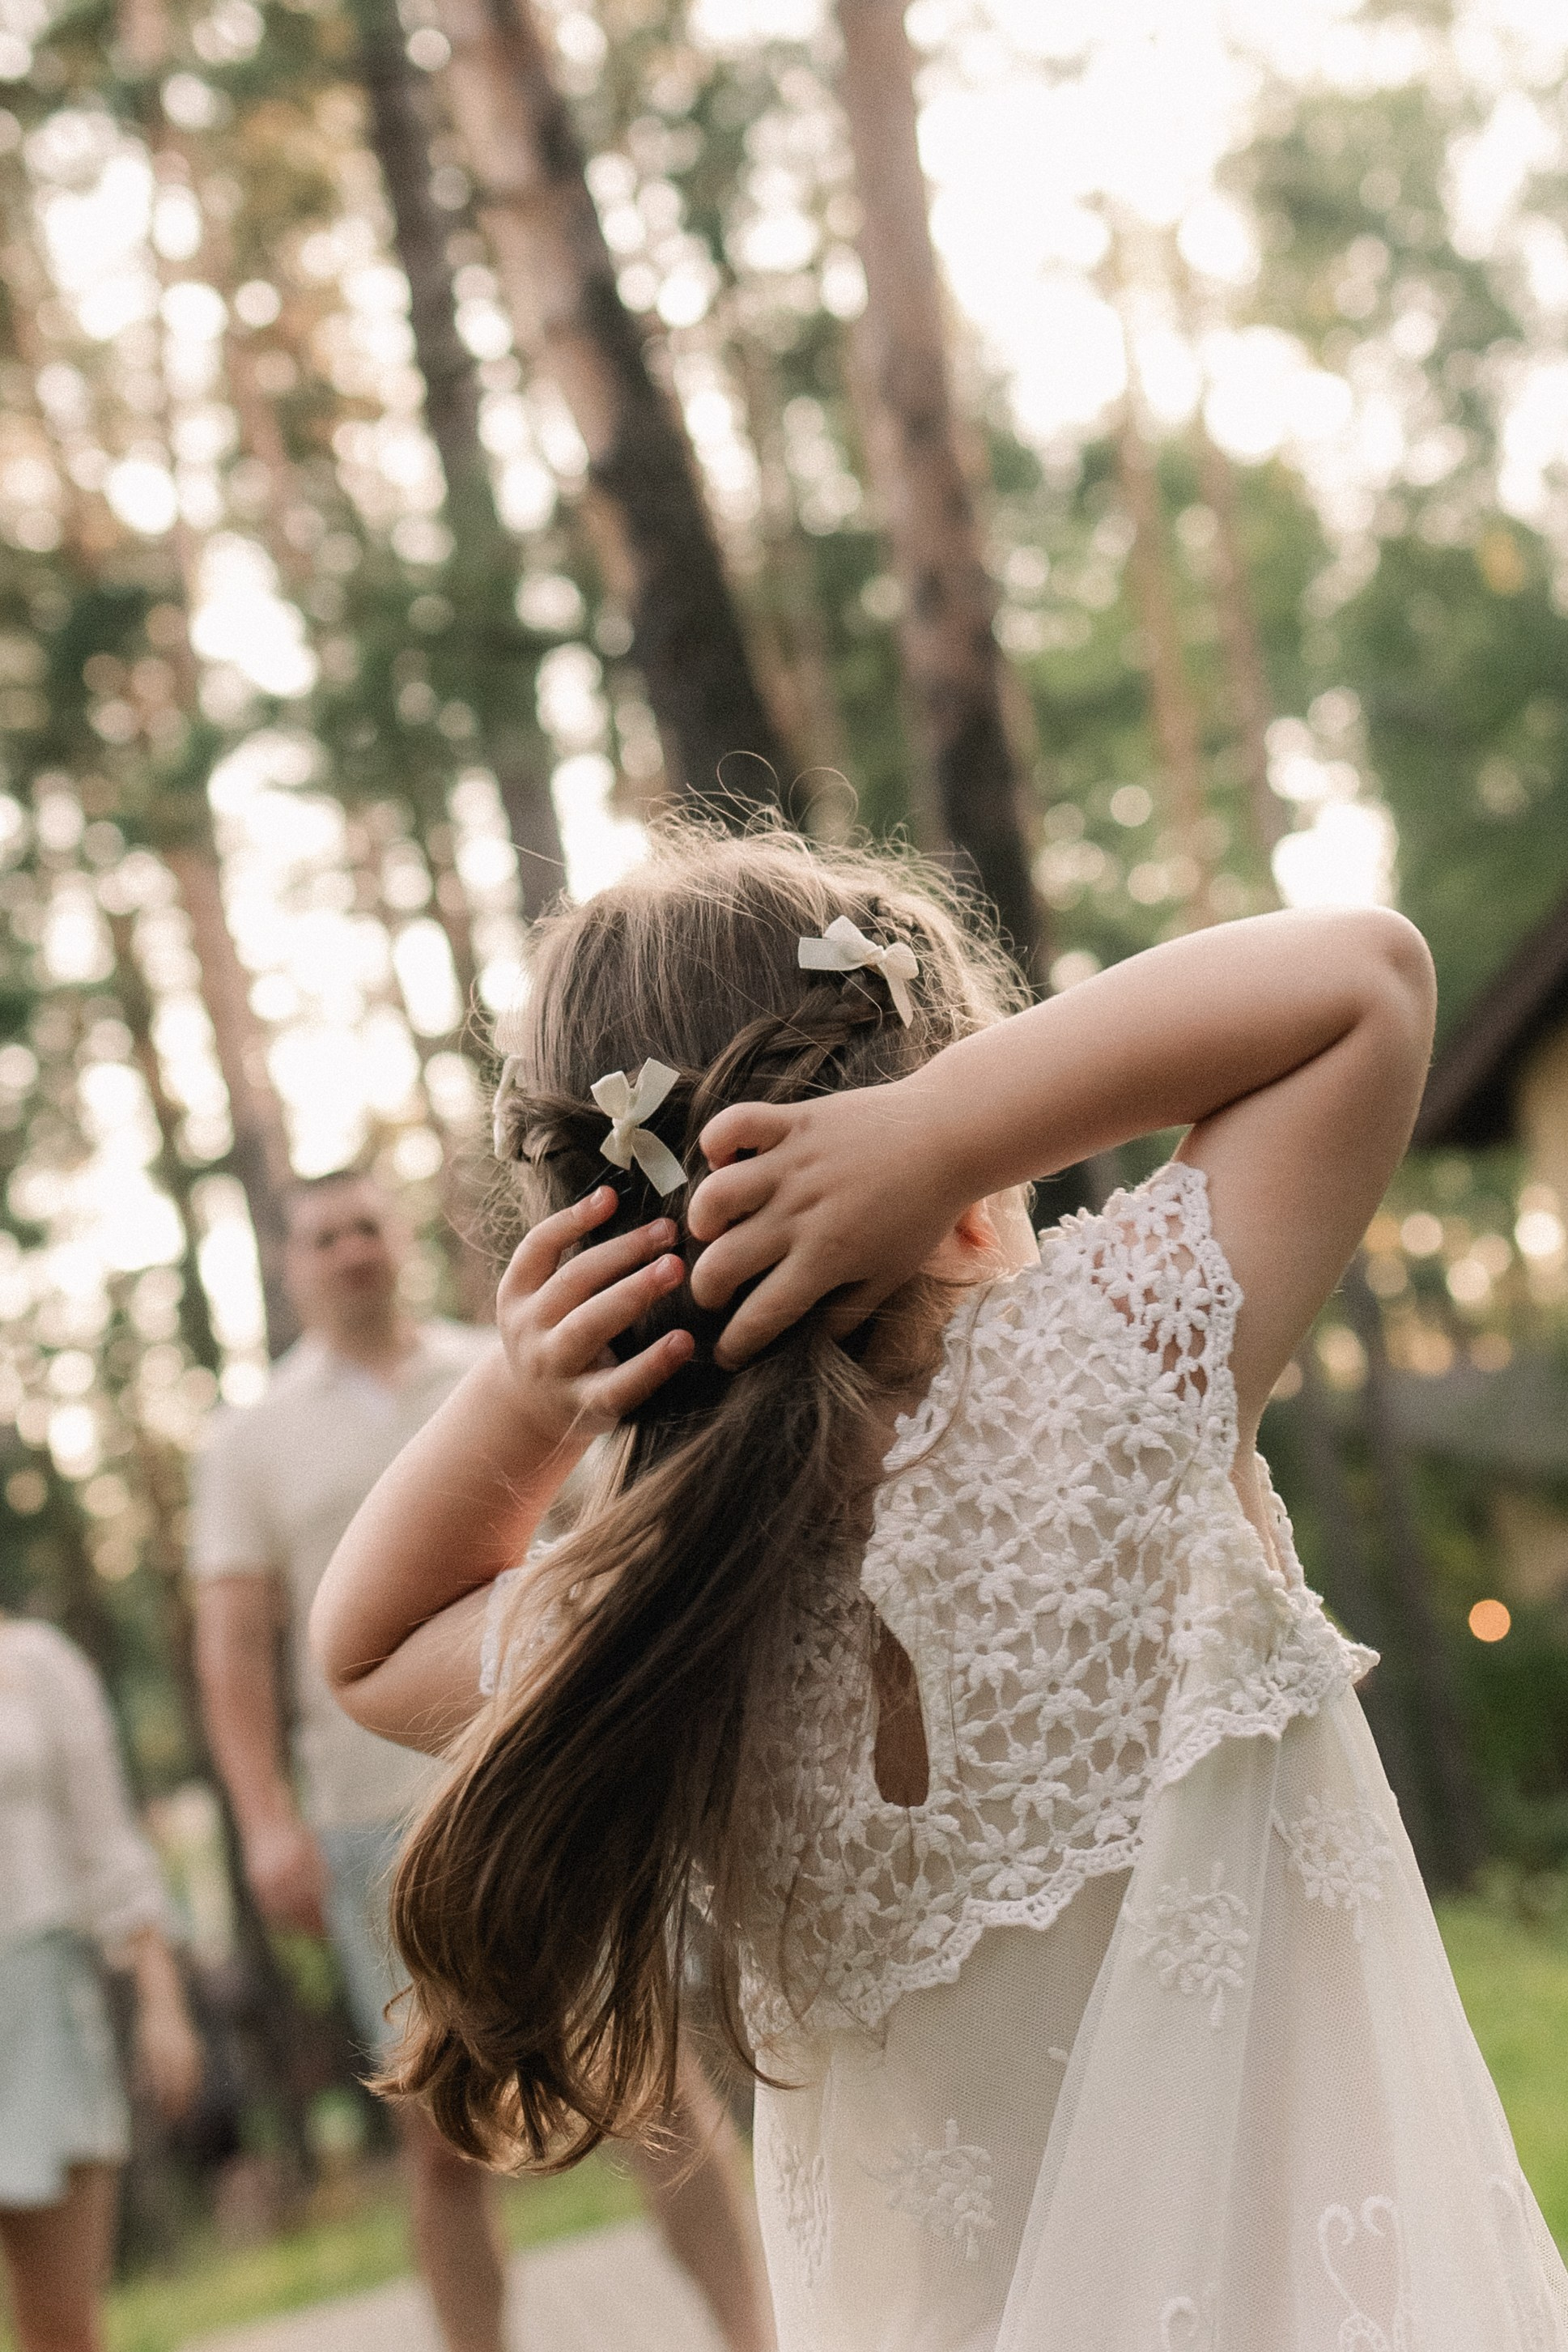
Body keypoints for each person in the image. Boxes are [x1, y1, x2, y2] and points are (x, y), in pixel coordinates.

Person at [308, 823, 1568, 2351]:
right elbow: (1362, 980)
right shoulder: (1120, 1377)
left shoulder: (659, 1607)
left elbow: (367, 1645)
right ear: (941, 1128)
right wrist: (947, 1130)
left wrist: (530, 1392)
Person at [190, 1168, 772, 2352]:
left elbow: (603, 1539)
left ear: (396, 1242)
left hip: (558, 1777)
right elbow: (236, 1648)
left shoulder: (505, 1361)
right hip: (378, 1821)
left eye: (366, 1227)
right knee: (437, 2135)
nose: (351, 1251)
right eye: (323, 1237)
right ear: (293, 1266)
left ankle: (760, 2336)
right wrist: (263, 1821)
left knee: (657, 2084)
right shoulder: (247, 1442)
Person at [0, 1614, 201, 2352]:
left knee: (62, 2330)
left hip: (41, 2004)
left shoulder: (41, 1663)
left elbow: (110, 1842)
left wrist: (163, 2002)